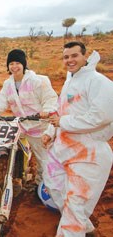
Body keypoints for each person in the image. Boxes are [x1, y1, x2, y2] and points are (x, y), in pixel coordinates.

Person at [42, 41, 113, 237]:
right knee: (54, 187)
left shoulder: (99, 82)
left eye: (74, 56)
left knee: (74, 210)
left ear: (85, 57)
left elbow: (101, 117)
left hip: (88, 155)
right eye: (66, 57)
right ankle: (85, 227)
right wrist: (50, 131)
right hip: (63, 150)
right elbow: (60, 111)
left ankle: (76, 227)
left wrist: (63, 122)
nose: (70, 60)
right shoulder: (69, 82)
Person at [0, 49, 58, 188]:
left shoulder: (38, 81)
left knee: (44, 160)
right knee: (7, 147)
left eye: (17, 63)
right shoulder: (8, 84)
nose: (14, 66)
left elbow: (50, 98)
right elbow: (2, 102)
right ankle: (14, 176)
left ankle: (42, 186)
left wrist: (47, 111)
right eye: (11, 63)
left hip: (39, 127)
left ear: (24, 64)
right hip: (20, 126)